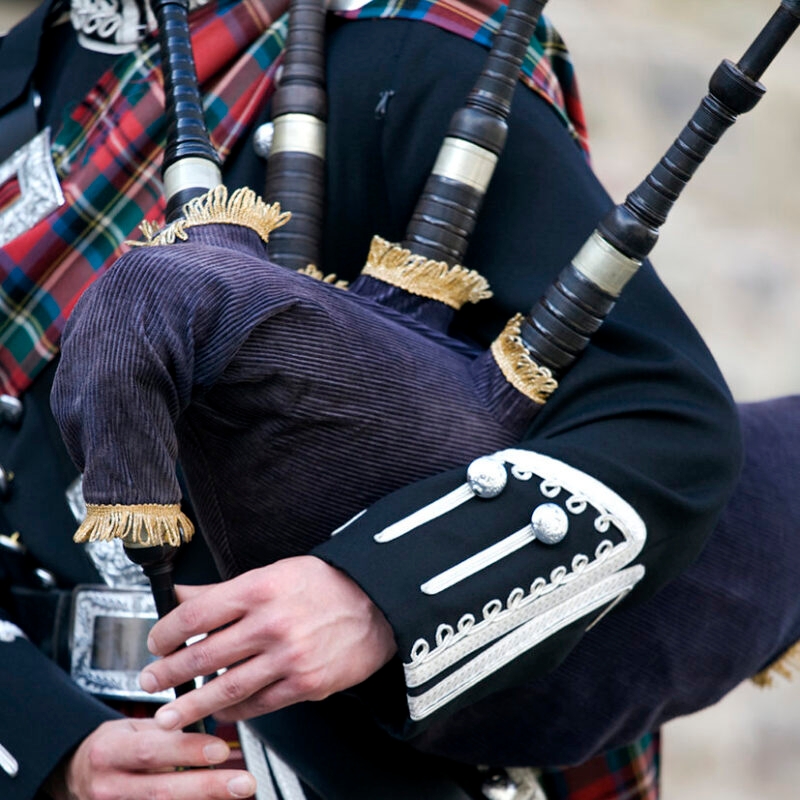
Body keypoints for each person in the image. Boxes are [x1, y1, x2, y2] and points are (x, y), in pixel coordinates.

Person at [8, 0, 794, 799]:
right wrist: (52, 745)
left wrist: (376, 593)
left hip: (354, 765)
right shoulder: (20, 80)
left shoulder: (408, 60)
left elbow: (661, 423)